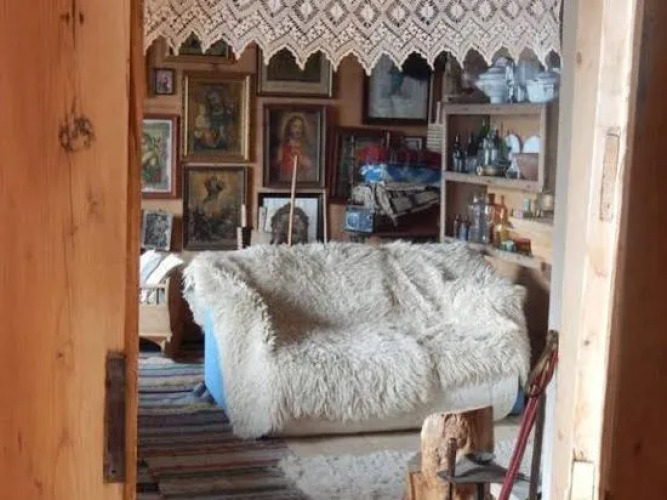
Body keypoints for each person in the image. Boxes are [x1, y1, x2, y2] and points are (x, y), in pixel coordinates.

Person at [274, 115, 315, 182]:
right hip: (286, 179)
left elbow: (310, 166)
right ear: (289, 128)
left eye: (300, 127)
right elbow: (278, 164)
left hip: (301, 179)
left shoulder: (305, 146)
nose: (298, 130)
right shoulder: (283, 147)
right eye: (295, 126)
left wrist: (300, 156)